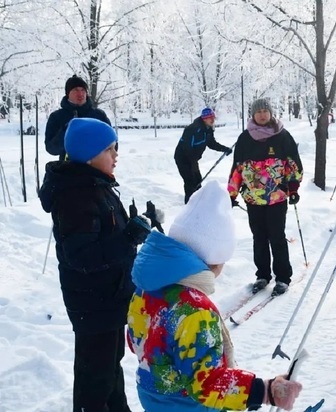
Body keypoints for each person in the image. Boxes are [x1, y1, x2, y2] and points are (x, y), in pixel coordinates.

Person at [126, 181, 303, 412]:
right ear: (215, 260)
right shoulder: (196, 311)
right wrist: (266, 390)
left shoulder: (148, 287)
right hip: (187, 406)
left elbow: (135, 340)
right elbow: (207, 384)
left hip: (153, 396)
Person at [38, 118, 155, 411]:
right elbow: (82, 256)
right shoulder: (76, 196)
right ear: (89, 155)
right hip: (94, 302)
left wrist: (137, 223)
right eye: (109, 150)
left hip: (109, 297)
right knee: (95, 375)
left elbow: (108, 233)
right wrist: (128, 237)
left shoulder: (95, 185)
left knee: (110, 365)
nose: (116, 155)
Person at [228, 98, 303, 296]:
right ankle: (262, 274)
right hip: (253, 198)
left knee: (277, 236)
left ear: (270, 113)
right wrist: (232, 192)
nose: (262, 114)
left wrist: (293, 188)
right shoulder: (245, 138)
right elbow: (237, 168)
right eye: (258, 111)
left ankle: (283, 277)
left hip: (277, 196)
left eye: (265, 111)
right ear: (252, 115)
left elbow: (293, 164)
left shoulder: (282, 136)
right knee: (259, 237)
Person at [45, 75, 111, 160]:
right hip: (67, 170)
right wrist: (67, 132)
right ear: (68, 93)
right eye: (75, 90)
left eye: (83, 90)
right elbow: (51, 148)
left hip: (95, 170)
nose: (80, 94)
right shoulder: (57, 117)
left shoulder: (99, 115)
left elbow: (113, 144)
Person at [174, 107, 232, 203]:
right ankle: (189, 206)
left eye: (213, 117)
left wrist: (224, 149)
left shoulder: (208, 130)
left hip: (193, 159)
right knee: (190, 182)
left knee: (198, 181)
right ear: (204, 118)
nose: (212, 119)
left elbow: (211, 144)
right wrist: (192, 164)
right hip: (183, 158)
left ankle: (198, 204)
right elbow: (187, 148)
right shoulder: (192, 129)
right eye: (210, 117)